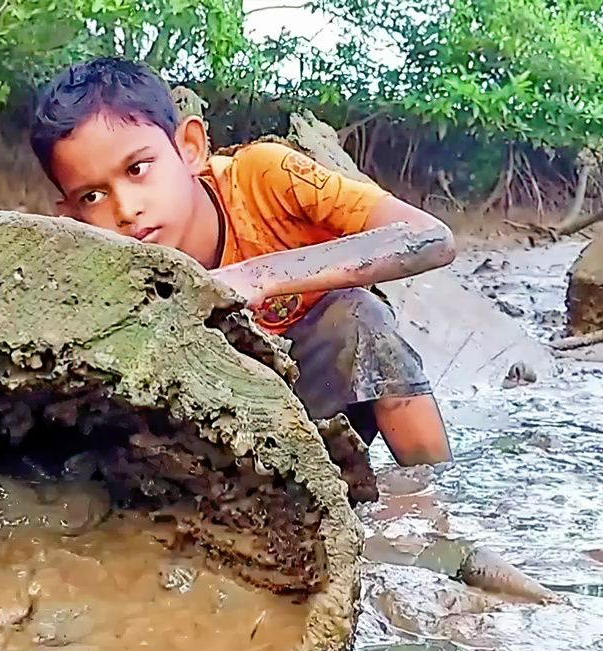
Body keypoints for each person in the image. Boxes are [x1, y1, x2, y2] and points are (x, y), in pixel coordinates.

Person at [28, 57, 456, 465]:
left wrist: (260, 274)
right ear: (71, 218)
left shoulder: (266, 178)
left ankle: (428, 504)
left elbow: (430, 237)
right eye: (93, 196)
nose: (125, 209)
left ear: (190, 149)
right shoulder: (98, 268)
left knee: (360, 319)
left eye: (138, 169)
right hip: (213, 433)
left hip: (318, 397)